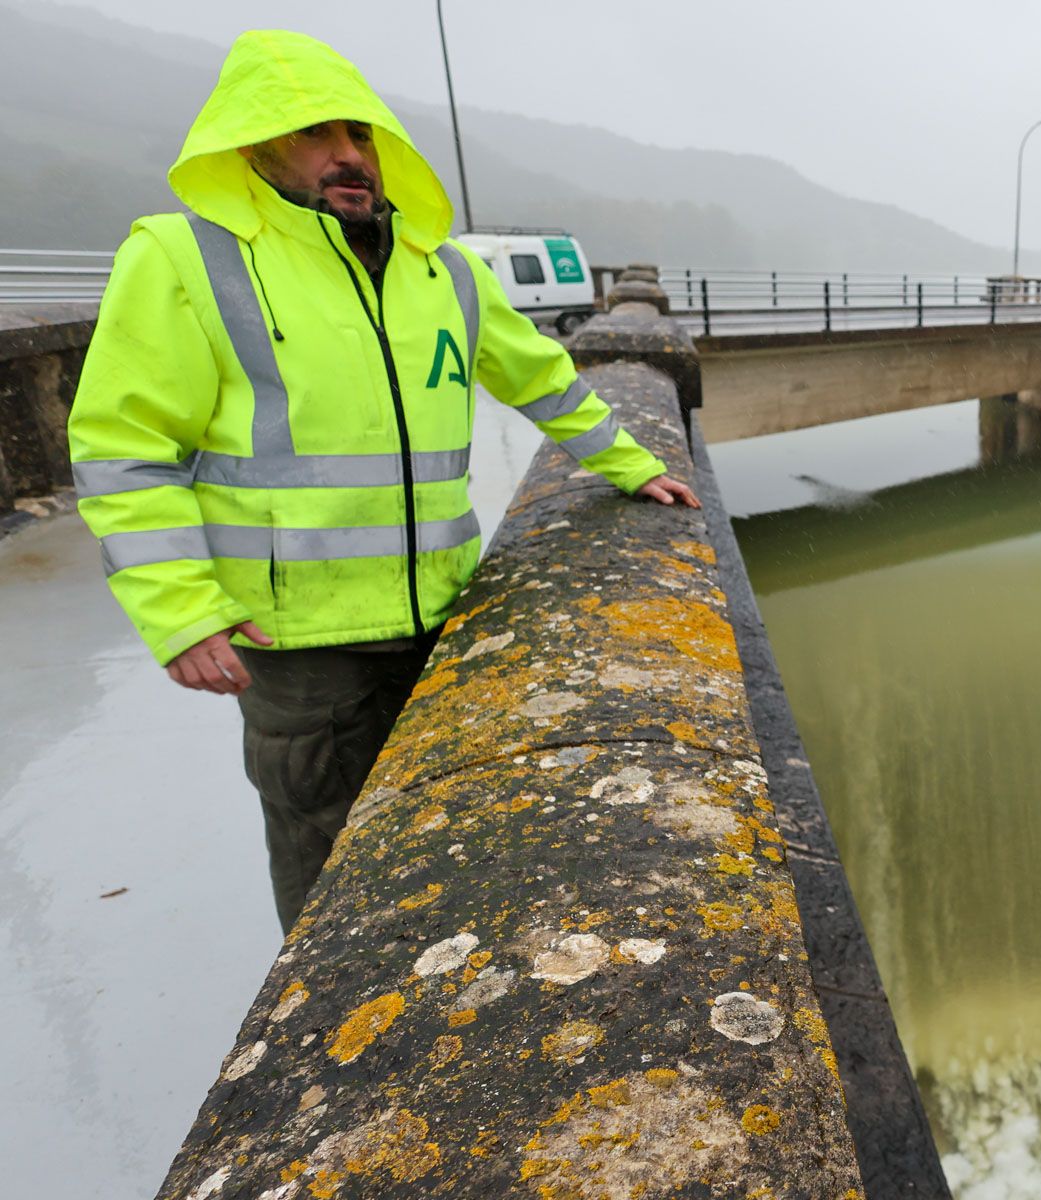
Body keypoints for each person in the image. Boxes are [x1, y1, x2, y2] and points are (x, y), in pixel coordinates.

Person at [67, 30, 700, 933]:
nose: (347, 156)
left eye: (359, 135)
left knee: (455, 843)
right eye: (314, 135)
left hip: (440, 616)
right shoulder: (185, 259)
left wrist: (636, 466)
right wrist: (178, 610)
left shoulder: (440, 269)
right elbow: (124, 447)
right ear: (254, 149)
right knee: (330, 867)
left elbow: (544, 378)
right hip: (296, 644)